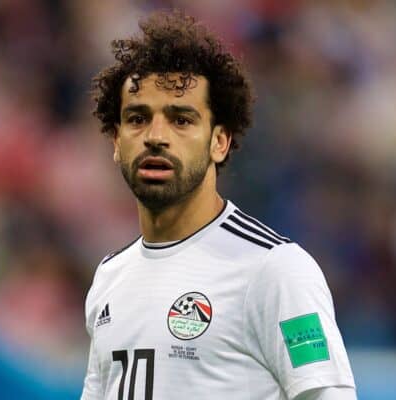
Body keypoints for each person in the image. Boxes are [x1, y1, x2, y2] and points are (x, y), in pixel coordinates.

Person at [81, 10, 356, 400]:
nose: (156, 136)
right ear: (116, 141)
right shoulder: (110, 277)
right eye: (138, 118)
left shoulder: (274, 270)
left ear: (219, 141)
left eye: (181, 119)